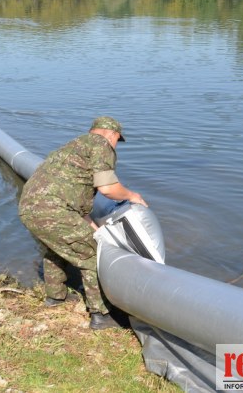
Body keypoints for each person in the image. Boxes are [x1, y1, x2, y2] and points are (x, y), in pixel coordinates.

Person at [18, 116, 147, 330]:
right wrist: (133, 196)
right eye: (117, 140)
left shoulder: (73, 147)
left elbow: (80, 211)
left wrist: (98, 233)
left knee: (59, 248)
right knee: (90, 254)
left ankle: (55, 297)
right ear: (112, 134)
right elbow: (108, 188)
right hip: (54, 210)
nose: (116, 145)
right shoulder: (101, 145)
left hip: (29, 208)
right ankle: (101, 315)